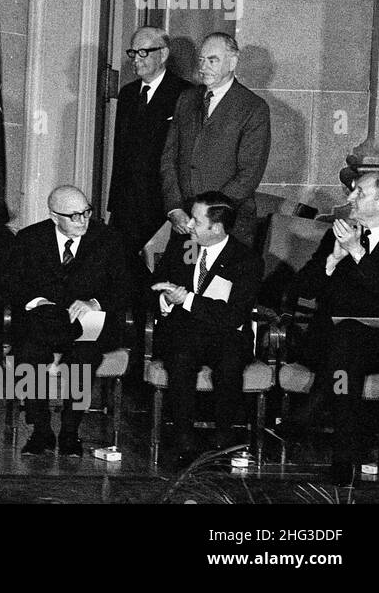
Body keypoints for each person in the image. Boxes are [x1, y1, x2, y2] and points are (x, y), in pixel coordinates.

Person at [5, 185, 129, 456]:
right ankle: (41, 431)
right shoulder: (29, 239)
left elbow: (125, 287)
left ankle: (71, 432)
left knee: (83, 357)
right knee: (28, 354)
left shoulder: (108, 239)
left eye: (86, 212)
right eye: (73, 216)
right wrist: (37, 301)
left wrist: (94, 303)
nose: (83, 220)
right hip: (44, 318)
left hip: (90, 320)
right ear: (53, 216)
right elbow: (13, 284)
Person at [290, 172, 379, 484]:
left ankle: (316, 404)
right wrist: (332, 261)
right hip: (333, 343)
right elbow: (303, 289)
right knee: (347, 349)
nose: (349, 199)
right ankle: (343, 456)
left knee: (349, 343)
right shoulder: (338, 234)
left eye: (359, 193)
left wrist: (358, 254)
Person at [150, 192, 261, 468]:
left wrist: (185, 299)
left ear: (217, 228)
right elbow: (154, 285)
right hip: (185, 333)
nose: (188, 226)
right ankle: (183, 437)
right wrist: (164, 298)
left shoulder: (245, 260)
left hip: (227, 336)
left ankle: (224, 437)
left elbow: (233, 315)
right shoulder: (184, 247)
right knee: (181, 356)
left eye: (196, 221)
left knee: (229, 362)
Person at [161, 32, 270, 246]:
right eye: (201, 60)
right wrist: (174, 207)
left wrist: (207, 213)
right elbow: (169, 158)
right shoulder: (186, 99)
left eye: (213, 60)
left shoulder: (253, 108)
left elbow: (248, 174)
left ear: (232, 62)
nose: (203, 67)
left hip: (229, 225)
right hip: (185, 223)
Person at [108, 28, 190, 257]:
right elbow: (120, 153)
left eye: (143, 52)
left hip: (161, 207)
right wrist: (114, 205)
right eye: (133, 53)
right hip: (125, 208)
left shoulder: (185, 94)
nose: (136, 59)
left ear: (163, 54)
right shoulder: (127, 94)